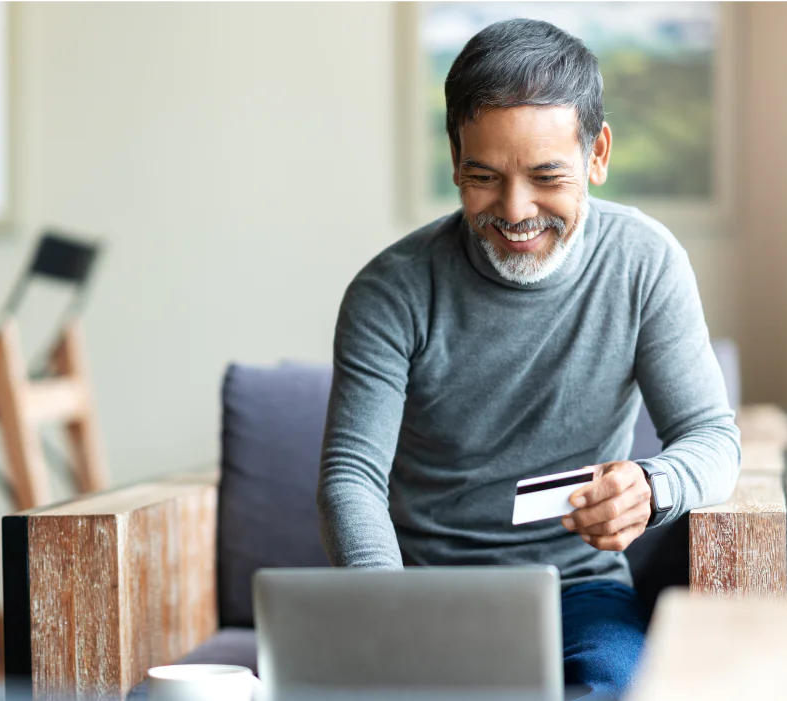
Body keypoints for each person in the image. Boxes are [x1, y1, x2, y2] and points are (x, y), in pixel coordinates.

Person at [316, 17, 741, 700]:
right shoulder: (389, 289)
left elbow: (713, 440)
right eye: (482, 176)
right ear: (454, 160)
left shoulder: (644, 262)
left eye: (546, 176)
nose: (515, 211)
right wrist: (384, 611)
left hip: (578, 592)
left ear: (596, 153)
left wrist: (651, 485)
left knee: (618, 682)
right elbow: (350, 476)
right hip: (419, 594)